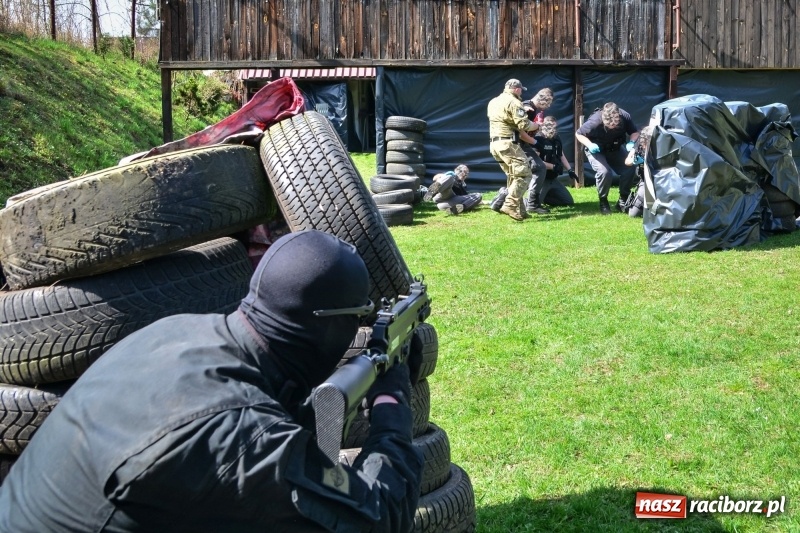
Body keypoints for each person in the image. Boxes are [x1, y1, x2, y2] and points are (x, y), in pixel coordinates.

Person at [0, 230, 424, 533]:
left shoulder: (175, 331)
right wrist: (391, 401)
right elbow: (378, 517)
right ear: (331, 328)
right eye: (359, 319)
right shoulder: (240, 433)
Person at [486, 78, 541, 221]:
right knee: (524, 175)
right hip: (508, 143)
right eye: (521, 90)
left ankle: (520, 211)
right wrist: (537, 125)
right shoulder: (515, 102)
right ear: (517, 89)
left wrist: (522, 108)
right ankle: (510, 205)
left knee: (514, 176)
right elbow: (524, 125)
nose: (521, 92)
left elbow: (505, 117)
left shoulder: (493, 101)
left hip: (495, 145)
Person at [575, 102, 640, 215]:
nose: (613, 126)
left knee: (629, 168)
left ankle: (623, 200)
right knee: (604, 172)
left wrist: (632, 142)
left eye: (615, 124)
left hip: (615, 148)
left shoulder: (625, 116)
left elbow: (634, 132)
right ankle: (603, 201)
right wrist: (590, 145)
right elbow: (579, 134)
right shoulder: (595, 121)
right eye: (609, 125)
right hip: (596, 149)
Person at [524, 116, 578, 209]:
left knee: (567, 201)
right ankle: (513, 199)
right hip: (541, 178)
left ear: (556, 125)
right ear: (543, 125)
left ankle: (543, 197)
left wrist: (570, 170)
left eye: (552, 124)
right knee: (532, 205)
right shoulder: (538, 139)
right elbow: (535, 162)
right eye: (548, 124)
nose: (550, 127)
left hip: (553, 179)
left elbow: (561, 154)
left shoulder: (556, 137)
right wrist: (553, 166)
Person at [521, 87, 556, 214]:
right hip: (520, 144)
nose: (548, 106)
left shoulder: (534, 110)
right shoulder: (527, 108)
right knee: (538, 168)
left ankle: (506, 197)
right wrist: (535, 143)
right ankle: (531, 204)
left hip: (525, 144)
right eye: (548, 102)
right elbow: (520, 132)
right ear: (543, 99)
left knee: (533, 170)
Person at [623, 125, 654, 218]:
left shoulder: (661, 148)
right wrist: (634, 160)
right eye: (644, 141)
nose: (645, 145)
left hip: (660, 181)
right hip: (645, 181)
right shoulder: (639, 144)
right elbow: (627, 161)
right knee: (633, 214)